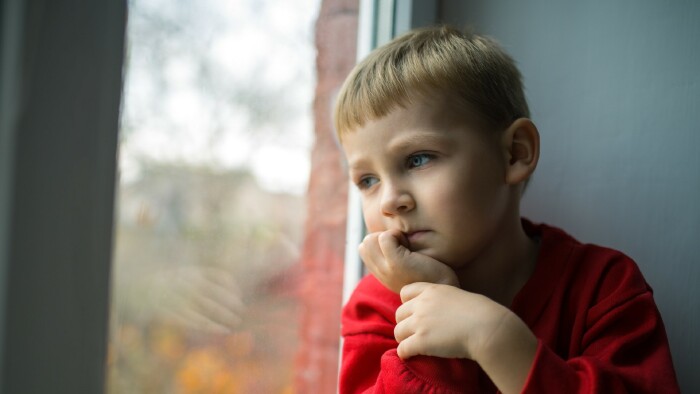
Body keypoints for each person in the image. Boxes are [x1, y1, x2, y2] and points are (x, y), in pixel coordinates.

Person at [334, 25, 680, 393]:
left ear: (515, 153)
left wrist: (492, 337)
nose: (390, 200)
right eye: (367, 180)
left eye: (418, 159)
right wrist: (428, 311)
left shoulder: (605, 286)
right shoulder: (374, 307)